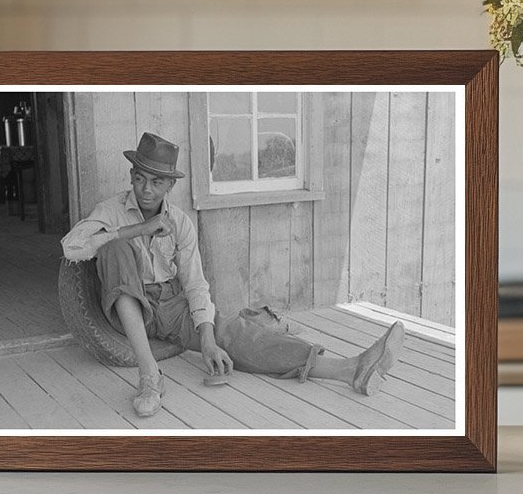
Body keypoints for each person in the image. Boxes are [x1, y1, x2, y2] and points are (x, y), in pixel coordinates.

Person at [61, 131, 406, 418]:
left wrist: (208, 340)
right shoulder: (111, 210)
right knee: (114, 248)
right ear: (131, 178)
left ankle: (351, 369)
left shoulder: (180, 223)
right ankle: (150, 376)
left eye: (155, 182)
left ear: (169, 186)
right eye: (140, 179)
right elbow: (71, 248)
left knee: (238, 335)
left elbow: (195, 284)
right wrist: (137, 229)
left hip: (171, 306)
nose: (146, 189)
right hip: (129, 306)